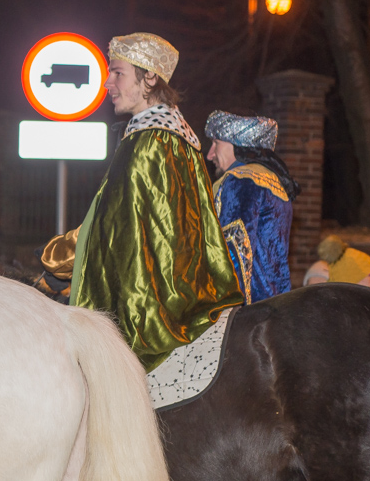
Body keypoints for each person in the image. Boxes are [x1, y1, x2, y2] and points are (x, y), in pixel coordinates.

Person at [58, 33, 243, 371]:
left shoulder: (145, 142)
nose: (107, 84)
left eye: (117, 73)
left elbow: (115, 233)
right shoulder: (180, 139)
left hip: (149, 304)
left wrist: (59, 260)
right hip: (184, 287)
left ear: (150, 77)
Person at [204, 110, 299, 303]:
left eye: (216, 143)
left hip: (246, 311)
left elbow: (233, 250)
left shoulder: (239, 181)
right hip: (276, 304)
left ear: (238, 145)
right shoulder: (272, 182)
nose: (210, 154)